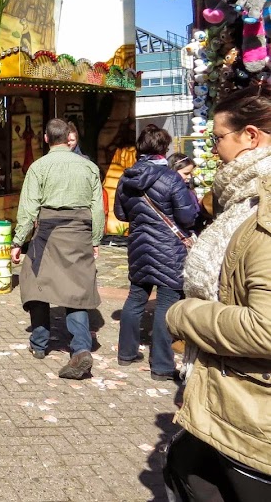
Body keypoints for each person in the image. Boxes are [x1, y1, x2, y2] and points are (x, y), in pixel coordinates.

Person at [163, 84, 271, 499]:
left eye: (218, 138)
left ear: (250, 136)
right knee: (185, 469)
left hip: (252, 417)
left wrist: (182, 314)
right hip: (235, 399)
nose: (214, 150)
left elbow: (265, 326)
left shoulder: (261, 208)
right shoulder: (241, 199)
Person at [10, 118, 105, 380]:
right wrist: (95, 239)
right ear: (68, 137)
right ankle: (81, 347)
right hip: (79, 232)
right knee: (77, 289)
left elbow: (28, 209)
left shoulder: (38, 167)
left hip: (48, 232)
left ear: (46, 138)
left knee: (36, 282)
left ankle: (40, 343)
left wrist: (18, 241)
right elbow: (97, 208)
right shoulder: (89, 167)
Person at [113, 125, 199, 381]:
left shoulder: (126, 178)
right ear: (164, 148)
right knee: (165, 304)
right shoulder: (171, 178)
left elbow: (120, 214)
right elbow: (187, 217)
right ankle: (161, 366)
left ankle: (126, 353)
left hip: (139, 246)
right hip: (168, 249)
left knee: (135, 298)